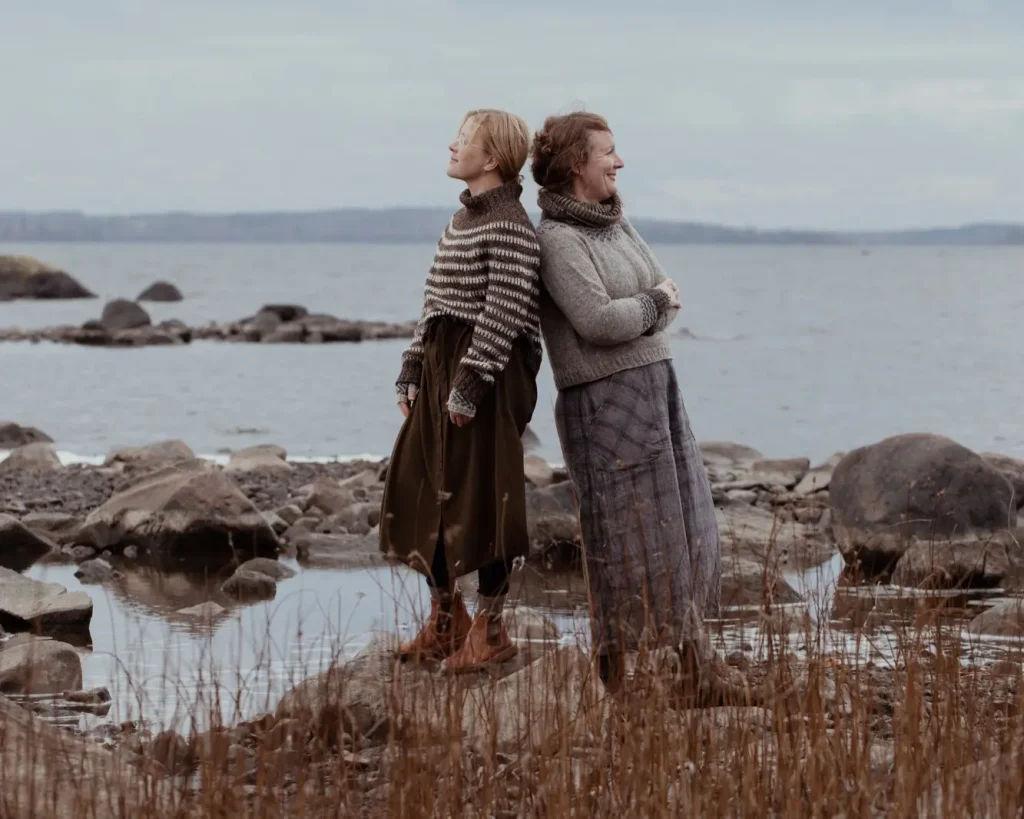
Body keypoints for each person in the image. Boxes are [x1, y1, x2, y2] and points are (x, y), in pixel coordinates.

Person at [531, 111, 734, 696]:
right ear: (577, 164)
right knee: (622, 538)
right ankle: (613, 682)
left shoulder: (617, 223)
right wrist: (649, 307)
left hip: (656, 386)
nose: (619, 162)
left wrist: (644, 310)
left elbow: (669, 295)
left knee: (683, 527)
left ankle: (697, 670)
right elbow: (598, 320)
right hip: (602, 403)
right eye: (608, 152)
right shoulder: (557, 239)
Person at [379, 109, 541, 673]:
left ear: (491, 157)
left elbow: (506, 309)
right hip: (444, 364)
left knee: (484, 499)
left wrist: (471, 382)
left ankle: (492, 629)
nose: (452, 146)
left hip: (488, 374)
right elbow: (434, 304)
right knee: (421, 488)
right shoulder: (461, 220)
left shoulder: (513, 225)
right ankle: (447, 618)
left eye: (464, 139)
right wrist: (413, 366)